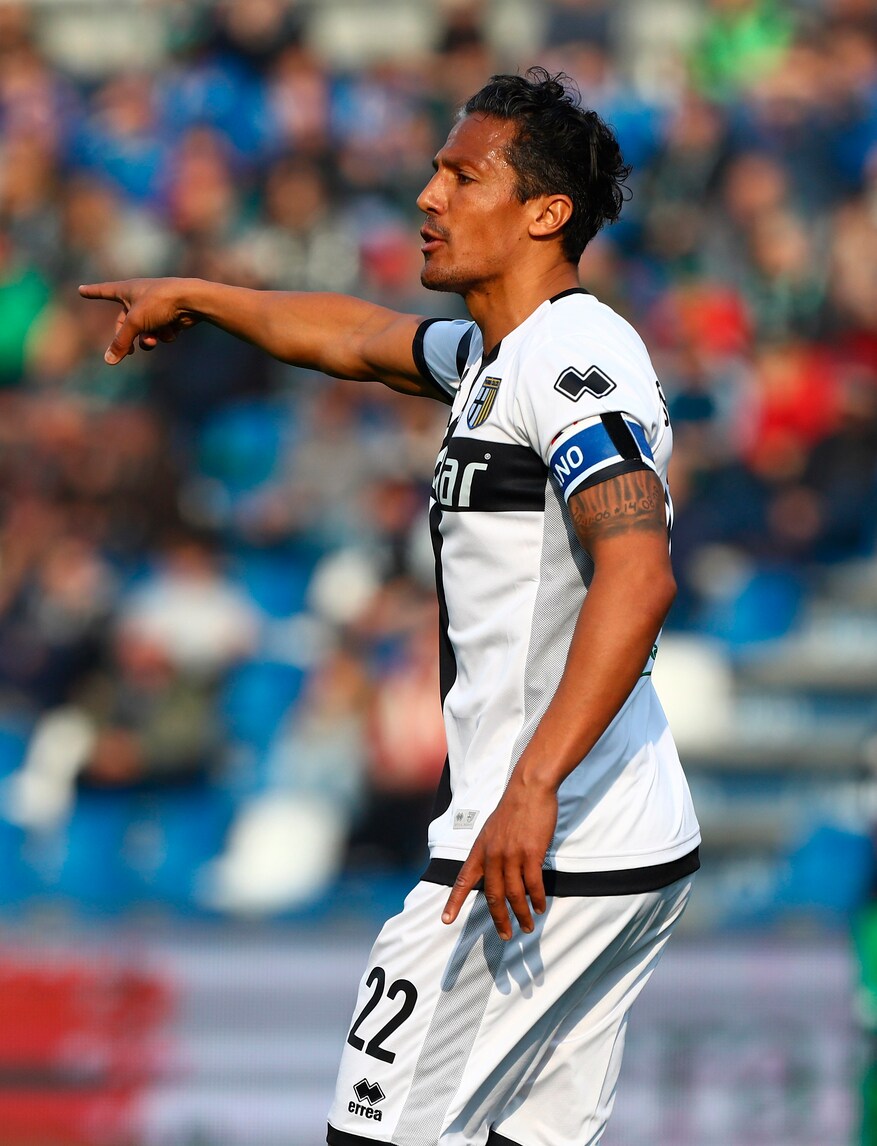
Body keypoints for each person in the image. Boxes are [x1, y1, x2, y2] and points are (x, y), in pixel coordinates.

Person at [81, 67, 700, 1146]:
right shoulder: (493, 358)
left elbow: (638, 574)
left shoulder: (572, 358)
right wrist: (198, 295)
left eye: (463, 177)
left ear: (545, 213)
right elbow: (352, 336)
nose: (428, 195)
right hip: (607, 839)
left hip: (537, 846)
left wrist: (532, 787)